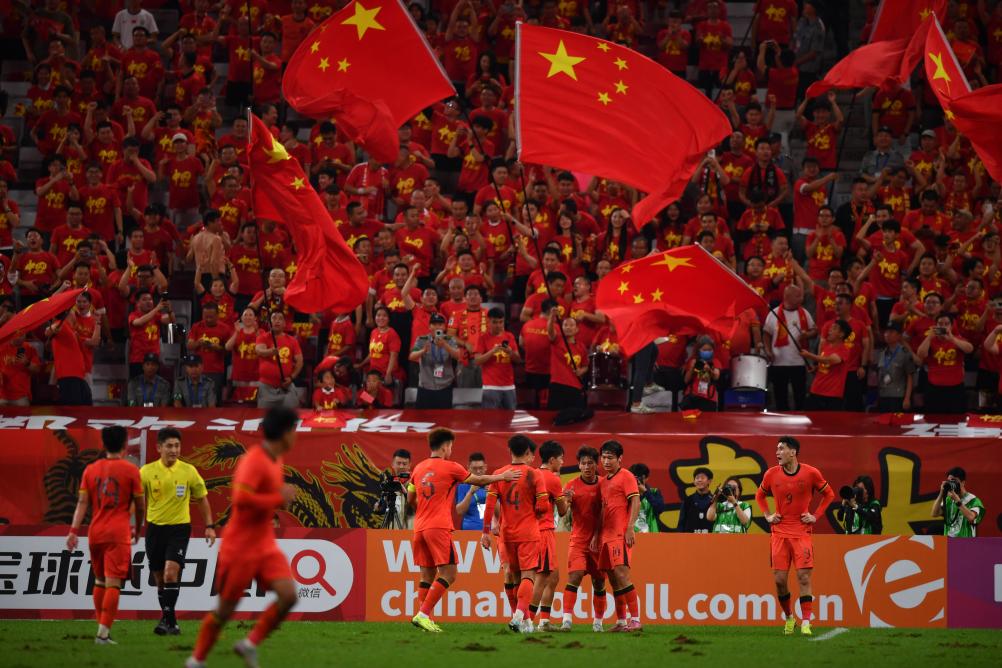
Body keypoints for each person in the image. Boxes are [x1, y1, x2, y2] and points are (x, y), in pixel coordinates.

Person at [187, 408, 302, 668]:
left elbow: (267, 498)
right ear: (285, 433)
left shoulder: (276, 460)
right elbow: (241, 499)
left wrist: (278, 500)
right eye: (294, 430)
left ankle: (249, 644)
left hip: (265, 544)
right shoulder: (254, 460)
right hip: (239, 546)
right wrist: (278, 498)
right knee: (225, 610)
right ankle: (196, 660)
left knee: (288, 595)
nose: (296, 436)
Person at [409, 428, 520, 632]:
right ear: (445, 446)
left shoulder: (418, 468)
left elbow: (410, 497)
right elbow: (478, 480)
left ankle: (425, 620)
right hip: (438, 527)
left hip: (419, 527)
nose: (451, 449)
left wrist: (424, 511)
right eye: (451, 446)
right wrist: (502, 477)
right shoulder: (450, 467)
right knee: (449, 573)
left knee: (426, 576)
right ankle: (423, 614)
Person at [66, 426, 145, 645]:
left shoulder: (91, 469)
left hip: (96, 532)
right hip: (117, 532)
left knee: (100, 580)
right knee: (113, 583)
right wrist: (138, 529)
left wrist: (73, 531)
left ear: (103, 444)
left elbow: (82, 503)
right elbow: (140, 505)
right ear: (125, 444)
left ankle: (101, 628)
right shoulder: (130, 470)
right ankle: (103, 633)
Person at [755, 436, 835, 636]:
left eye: (781, 449)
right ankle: (790, 617)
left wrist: (815, 516)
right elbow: (760, 495)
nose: (777, 453)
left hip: (801, 533)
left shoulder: (811, 473)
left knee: (803, 577)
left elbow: (829, 494)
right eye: (777, 449)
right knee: (780, 580)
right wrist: (768, 515)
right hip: (779, 533)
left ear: (793, 452)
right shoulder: (771, 474)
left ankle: (806, 621)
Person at [140, 427, 216, 635]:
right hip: (154, 529)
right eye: (169, 446)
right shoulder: (146, 471)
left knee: (171, 572)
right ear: (159, 448)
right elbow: (136, 500)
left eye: (177, 446)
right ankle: (170, 621)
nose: (174, 450)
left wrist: (210, 526)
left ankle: (166, 621)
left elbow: (202, 499)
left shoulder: (189, 471)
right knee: (159, 579)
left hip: (179, 529)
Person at [480, 434, 548, 633]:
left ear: (510, 451)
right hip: (528, 532)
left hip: (507, 534)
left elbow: (489, 505)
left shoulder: (499, 474)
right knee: (528, 575)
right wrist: (535, 510)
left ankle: (524, 621)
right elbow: (543, 506)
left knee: (512, 575)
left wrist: (485, 532)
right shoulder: (535, 474)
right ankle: (519, 616)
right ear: (528, 452)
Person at [594, 440, 642, 632]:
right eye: (604, 457)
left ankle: (635, 620)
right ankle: (622, 621)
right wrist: (596, 535)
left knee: (622, 575)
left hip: (620, 534)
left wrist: (630, 528)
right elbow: (602, 510)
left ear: (620, 458)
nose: (606, 461)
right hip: (606, 536)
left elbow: (636, 501)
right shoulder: (603, 481)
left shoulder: (626, 476)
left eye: (610, 458)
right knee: (613, 579)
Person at [559, 446, 607, 632]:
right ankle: (566, 620)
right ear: (578, 465)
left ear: (596, 464)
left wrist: (597, 535)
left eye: (590, 463)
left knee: (599, 582)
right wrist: (566, 500)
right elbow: (562, 512)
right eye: (583, 463)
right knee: (575, 575)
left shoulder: (604, 484)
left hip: (600, 541)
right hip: (578, 540)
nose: (587, 467)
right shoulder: (570, 486)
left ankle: (598, 623)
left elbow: (607, 512)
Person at [528, 440, 568, 631]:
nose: (562, 462)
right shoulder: (552, 479)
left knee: (553, 577)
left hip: (528, 530)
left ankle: (544, 621)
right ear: (552, 460)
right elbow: (562, 511)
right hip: (544, 532)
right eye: (561, 458)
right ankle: (527, 620)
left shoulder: (531, 475)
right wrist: (567, 498)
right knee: (542, 578)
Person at [763, 284, 816, 410]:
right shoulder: (774, 313)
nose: (801, 298)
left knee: (800, 396)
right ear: (787, 297)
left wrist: (807, 335)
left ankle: (800, 418)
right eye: (798, 296)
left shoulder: (804, 313)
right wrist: (768, 351)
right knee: (780, 397)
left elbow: (814, 330)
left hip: (799, 362)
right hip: (778, 362)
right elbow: (766, 334)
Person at [917, 314, 973, 413]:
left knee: (957, 418)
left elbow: (970, 349)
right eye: (940, 324)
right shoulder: (931, 340)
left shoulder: (957, 339)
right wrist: (929, 337)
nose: (943, 326)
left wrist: (952, 339)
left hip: (955, 388)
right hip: (934, 388)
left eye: (946, 324)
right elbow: (921, 354)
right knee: (934, 417)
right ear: (935, 325)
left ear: (951, 326)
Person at [408, 313, 462, 409]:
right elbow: (411, 356)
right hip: (425, 388)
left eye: (440, 324)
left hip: (445, 387)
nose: (437, 327)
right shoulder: (422, 339)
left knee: (444, 417)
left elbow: (458, 356)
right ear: (429, 326)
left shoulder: (450, 340)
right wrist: (423, 351)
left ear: (444, 327)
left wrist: (445, 345)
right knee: (423, 416)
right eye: (434, 324)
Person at [474, 306, 521, 409]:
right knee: (490, 417)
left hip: (509, 385)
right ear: (488, 322)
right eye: (495, 322)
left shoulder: (509, 336)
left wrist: (510, 352)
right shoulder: (483, 338)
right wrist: (492, 352)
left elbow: (518, 360)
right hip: (490, 386)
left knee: (510, 417)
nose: (498, 325)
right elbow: (477, 361)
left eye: (501, 322)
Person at [255, 311, 303, 409]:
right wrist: (270, 352)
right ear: (269, 322)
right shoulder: (263, 337)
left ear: (285, 324)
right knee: (263, 415)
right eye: (274, 318)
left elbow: (300, 361)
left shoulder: (292, 340)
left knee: (290, 415)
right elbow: (259, 351)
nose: (277, 321)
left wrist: (291, 377)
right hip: (266, 387)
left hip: (286, 386)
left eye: (280, 319)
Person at [932, 467, 984, 538]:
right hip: (948, 542)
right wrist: (941, 493)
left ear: (963, 483)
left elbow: (971, 517)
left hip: (966, 542)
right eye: (949, 481)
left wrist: (957, 500)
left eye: (954, 481)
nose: (951, 483)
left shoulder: (973, 500)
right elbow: (934, 514)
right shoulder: (948, 500)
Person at [875, 322, 915, 412]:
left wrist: (907, 398)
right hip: (883, 395)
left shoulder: (905, 353)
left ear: (899, 335)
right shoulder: (882, 353)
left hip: (898, 396)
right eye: (886, 332)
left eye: (891, 332)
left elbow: (910, 377)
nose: (887, 334)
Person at [454, 452, 489, 531]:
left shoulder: (492, 486)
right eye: (474, 468)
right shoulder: (463, 487)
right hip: (469, 532)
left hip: (490, 532)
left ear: (485, 467)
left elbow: (500, 513)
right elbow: (460, 512)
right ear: (468, 468)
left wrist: (491, 495)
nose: (478, 471)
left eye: (481, 468)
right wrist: (470, 493)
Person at [628, 463, 665, 533]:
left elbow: (660, 509)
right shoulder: (626, 493)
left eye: (638, 478)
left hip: (651, 534)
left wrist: (646, 492)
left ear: (645, 478)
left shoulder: (654, 492)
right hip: (631, 534)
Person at [678, 467, 715, 533]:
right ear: (694, 482)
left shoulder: (715, 501)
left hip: (711, 538)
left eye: (702, 478)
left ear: (709, 481)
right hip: (690, 538)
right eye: (697, 478)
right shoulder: (687, 501)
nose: (699, 480)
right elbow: (681, 524)